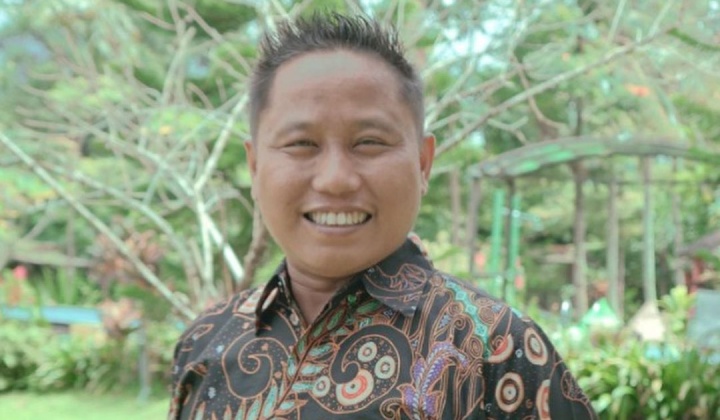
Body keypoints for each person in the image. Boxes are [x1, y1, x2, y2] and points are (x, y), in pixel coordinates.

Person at [168, 13, 598, 419]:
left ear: (423, 163)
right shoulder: (205, 342)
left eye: (369, 142)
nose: (336, 180)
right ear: (255, 166)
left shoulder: (497, 347)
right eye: (301, 144)